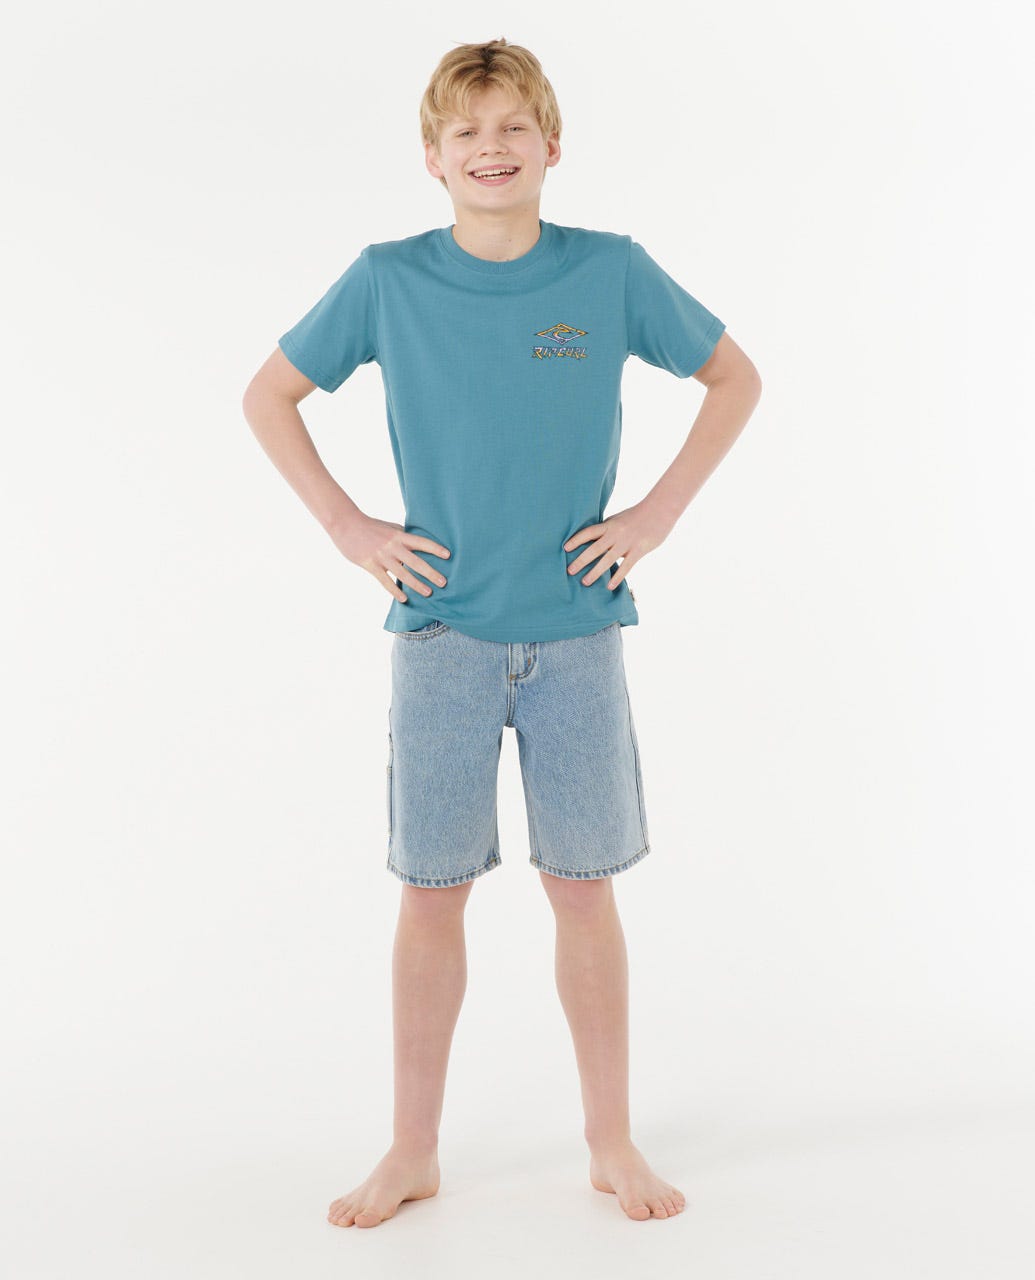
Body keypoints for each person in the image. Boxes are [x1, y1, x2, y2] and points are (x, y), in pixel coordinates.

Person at [242, 37, 762, 1228]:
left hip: (578, 633)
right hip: (442, 638)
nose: (492, 147)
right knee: (432, 896)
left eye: (513, 126)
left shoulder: (611, 271)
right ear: (433, 157)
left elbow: (735, 378)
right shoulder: (387, 279)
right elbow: (269, 394)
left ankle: (611, 1139)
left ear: (552, 145)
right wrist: (346, 524)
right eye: (466, 131)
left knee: (583, 891)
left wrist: (656, 514)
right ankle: (412, 1147)